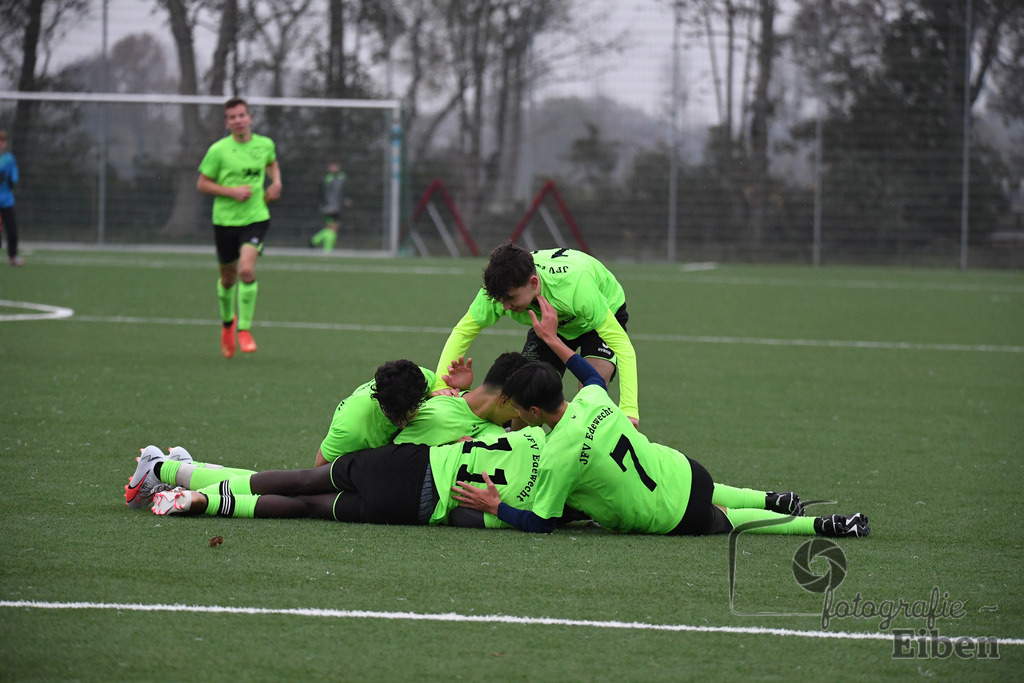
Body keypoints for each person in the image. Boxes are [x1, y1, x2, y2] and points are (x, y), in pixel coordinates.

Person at [452, 296, 870, 539]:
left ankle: (819, 524)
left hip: (669, 513)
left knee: (732, 521)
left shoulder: (558, 453)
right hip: (685, 469)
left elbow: (540, 524)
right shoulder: (593, 398)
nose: (515, 415)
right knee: (717, 490)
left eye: (517, 410)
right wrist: (553, 340)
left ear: (534, 411)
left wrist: (497, 506)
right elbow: (584, 370)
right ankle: (771, 496)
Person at [125, 359, 434, 509]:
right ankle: (161, 467)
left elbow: (445, 393)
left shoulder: (418, 380)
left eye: (413, 410)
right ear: (381, 403)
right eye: (399, 416)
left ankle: (182, 468)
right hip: (348, 468)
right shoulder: (352, 426)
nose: (408, 420)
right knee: (293, 493)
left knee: (279, 488)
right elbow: (318, 472)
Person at [151, 427, 548, 529]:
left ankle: (165, 469)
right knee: (306, 506)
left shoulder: (529, 436)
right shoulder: (529, 504)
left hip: (406, 464)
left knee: (301, 479)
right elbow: (465, 518)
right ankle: (199, 502)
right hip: (412, 507)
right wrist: (496, 509)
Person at [433, 241, 640, 427]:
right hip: (551, 324)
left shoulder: (575, 287)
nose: (504, 306)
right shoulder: (498, 292)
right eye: (500, 300)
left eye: (510, 298)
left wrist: (629, 409)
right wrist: (440, 385)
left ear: (533, 283)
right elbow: (463, 331)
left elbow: (622, 346)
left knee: (590, 390)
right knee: (526, 398)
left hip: (601, 314)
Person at [197, 97, 282, 358]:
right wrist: (231, 191)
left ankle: (244, 330)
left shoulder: (264, 144)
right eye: (232, 117)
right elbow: (202, 183)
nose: (238, 120)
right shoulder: (219, 150)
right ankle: (227, 324)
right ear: (227, 122)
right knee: (228, 278)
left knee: (246, 270)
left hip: (256, 217)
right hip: (225, 222)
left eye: (241, 115)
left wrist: (276, 182)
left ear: (250, 118)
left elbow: (271, 162)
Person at [310, 160, 349, 252]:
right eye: (332, 166)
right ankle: (325, 248)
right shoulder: (328, 178)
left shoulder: (342, 177)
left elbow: (344, 190)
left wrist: (346, 199)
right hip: (329, 206)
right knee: (332, 228)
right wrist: (324, 206)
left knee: (334, 228)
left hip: (338, 206)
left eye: (335, 166)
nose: (333, 168)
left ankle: (315, 241)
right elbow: (321, 192)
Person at [0, 131, 24, 267]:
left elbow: (14, 174)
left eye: (2, 142)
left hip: (6, 201)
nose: (0, 144)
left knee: (12, 231)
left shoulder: (9, 158)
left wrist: (11, 180)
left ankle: (13, 257)